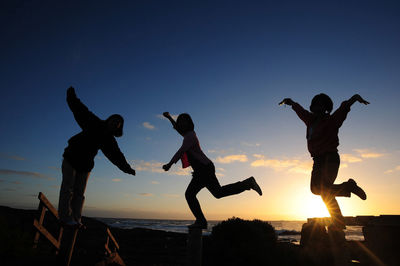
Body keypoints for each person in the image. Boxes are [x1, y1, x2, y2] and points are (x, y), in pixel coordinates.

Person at [280, 93, 369, 229]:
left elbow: (343, 109)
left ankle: (338, 221)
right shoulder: (310, 120)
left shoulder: (332, 120)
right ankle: (348, 187)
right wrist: (291, 102)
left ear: (326, 107)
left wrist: (354, 98)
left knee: (324, 190)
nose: (316, 106)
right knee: (316, 190)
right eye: (315, 104)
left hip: (330, 158)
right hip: (317, 160)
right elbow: (301, 111)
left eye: (320, 104)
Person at [162, 112, 262, 229]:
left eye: (184, 121)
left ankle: (201, 221)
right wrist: (169, 118)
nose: (181, 123)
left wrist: (169, 164)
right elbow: (177, 129)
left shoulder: (190, 136)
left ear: (189, 123)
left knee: (190, 194)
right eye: (180, 121)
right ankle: (247, 183)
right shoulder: (187, 135)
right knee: (217, 193)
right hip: (204, 169)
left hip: (204, 169)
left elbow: (181, 151)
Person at [58, 87, 136, 226]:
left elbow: (117, 156)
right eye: (114, 119)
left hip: (85, 165)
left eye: (118, 123)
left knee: (79, 193)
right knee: (67, 188)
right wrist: (71, 96)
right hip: (71, 157)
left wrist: (127, 169)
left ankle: (76, 218)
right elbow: (80, 110)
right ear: (109, 120)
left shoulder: (110, 141)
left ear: (119, 128)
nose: (115, 122)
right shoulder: (93, 122)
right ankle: (65, 217)